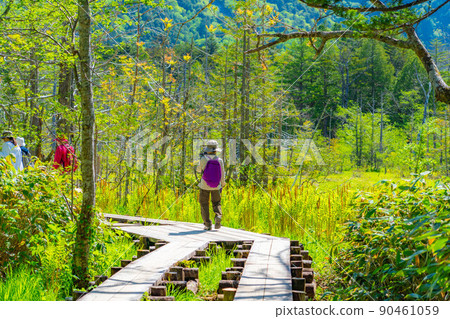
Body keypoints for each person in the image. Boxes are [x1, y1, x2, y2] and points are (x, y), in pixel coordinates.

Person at [196, 140, 226, 230]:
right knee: (217, 203)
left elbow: (198, 170)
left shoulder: (204, 158)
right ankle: (218, 216)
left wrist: (201, 160)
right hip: (216, 186)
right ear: (216, 150)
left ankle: (207, 224)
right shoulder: (219, 160)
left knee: (204, 203)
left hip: (204, 185)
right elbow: (222, 174)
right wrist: (222, 184)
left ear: (207, 149)